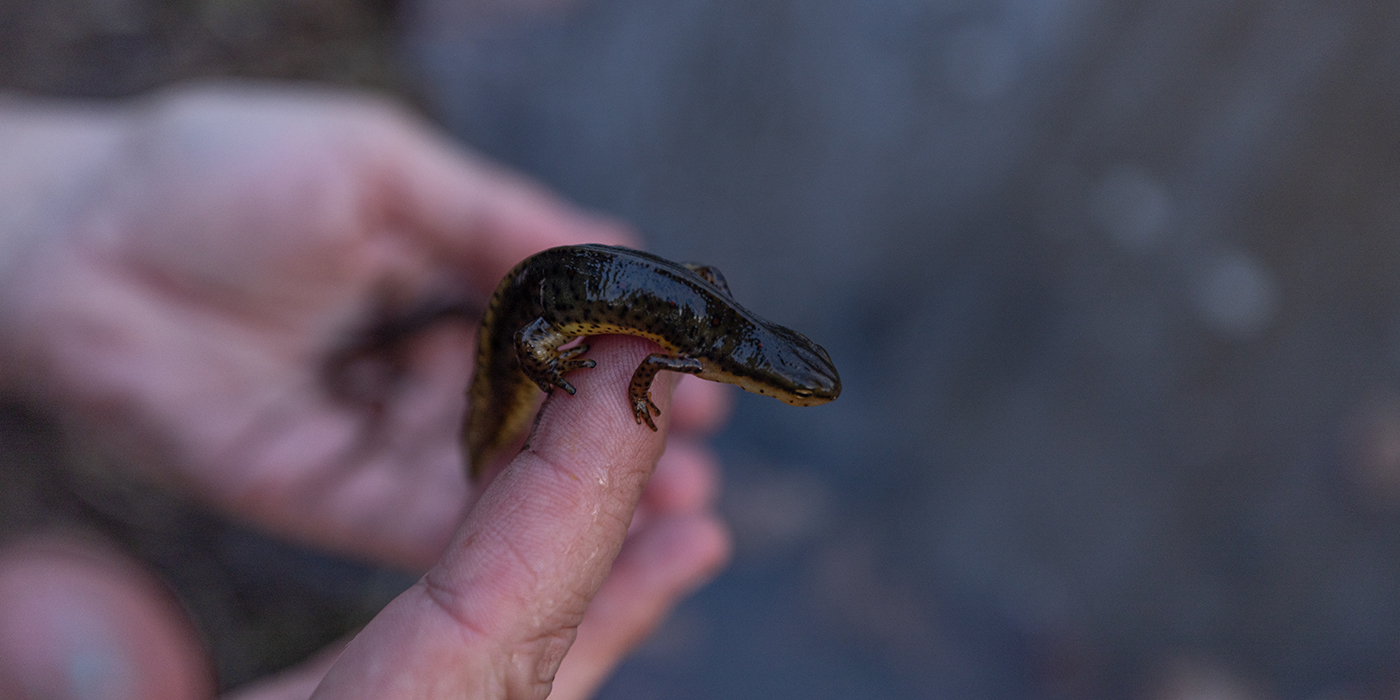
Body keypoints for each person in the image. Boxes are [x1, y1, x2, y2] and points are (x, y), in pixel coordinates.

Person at [0, 81, 732, 700]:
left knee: (61, 637)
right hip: (496, 324)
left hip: (487, 327)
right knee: (57, 638)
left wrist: (57, 213)